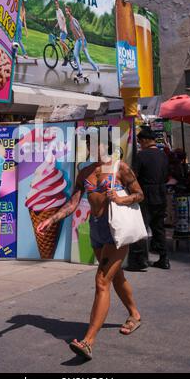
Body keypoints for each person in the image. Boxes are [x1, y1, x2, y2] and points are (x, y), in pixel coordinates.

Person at [37, 133, 144, 360]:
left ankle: (88, 341)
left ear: (107, 145)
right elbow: (73, 202)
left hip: (116, 228)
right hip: (96, 229)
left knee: (101, 281)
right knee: (116, 277)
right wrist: (52, 219)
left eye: (97, 144)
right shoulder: (85, 171)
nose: (92, 148)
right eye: (89, 145)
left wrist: (121, 199)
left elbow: (139, 194)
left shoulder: (120, 168)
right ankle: (134, 313)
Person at [129, 128, 170, 271]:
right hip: (161, 193)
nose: (139, 144)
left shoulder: (141, 156)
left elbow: (133, 176)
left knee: (140, 227)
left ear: (145, 140)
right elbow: (166, 176)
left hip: (145, 194)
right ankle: (164, 259)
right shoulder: (163, 155)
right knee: (159, 228)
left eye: (139, 141)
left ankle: (139, 261)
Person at [65, 5, 100, 80]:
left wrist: (83, 44)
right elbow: (74, 33)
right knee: (76, 55)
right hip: (78, 41)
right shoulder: (70, 22)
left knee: (86, 57)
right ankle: (82, 72)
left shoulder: (74, 20)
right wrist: (75, 42)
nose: (66, 12)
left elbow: (80, 31)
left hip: (82, 40)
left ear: (70, 12)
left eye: (67, 11)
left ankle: (95, 68)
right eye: (65, 11)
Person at [54, 0, 68, 66]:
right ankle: (66, 60)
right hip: (61, 30)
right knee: (63, 47)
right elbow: (59, 19)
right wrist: (57, 24)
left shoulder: (60, 11)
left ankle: (69, 52)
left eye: (57, 4)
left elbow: (64, 19)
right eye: (55, 4)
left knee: (61, 42)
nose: (56, 5)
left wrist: (63, 27)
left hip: (63, 30)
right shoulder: (56, 11)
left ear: (58, 4)